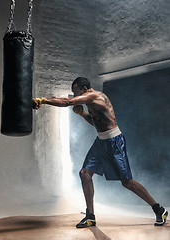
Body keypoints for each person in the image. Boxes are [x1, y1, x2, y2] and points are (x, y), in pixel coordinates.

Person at [33, 77, 168, 228]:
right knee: (84, 173)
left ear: (84, 89)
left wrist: (43, 100)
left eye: (76, 92)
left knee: (127, 182)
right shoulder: (90, 102)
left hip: (114, 142)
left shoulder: (94, 96)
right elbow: (96, 123)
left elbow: (67, 102)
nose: (75, 96)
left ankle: (159, 209)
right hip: (101, 142)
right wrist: (83, 114)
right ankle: (90, 216)